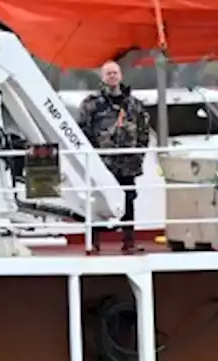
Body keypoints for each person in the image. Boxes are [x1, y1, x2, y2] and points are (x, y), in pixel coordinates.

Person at [78, 61, 151, 253]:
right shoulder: (92, 103)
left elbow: (144, 131)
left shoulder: (134, 104)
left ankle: (129, 242)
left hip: (128, 161)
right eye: (108, 73)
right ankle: (94, 241)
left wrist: (138, 154)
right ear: (102, 77)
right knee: (97, 200)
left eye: (115, 72)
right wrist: (92, 158)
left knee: (128, 199)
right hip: (102, 163)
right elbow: (82, 132)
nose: (112, 76)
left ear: (121, 75)